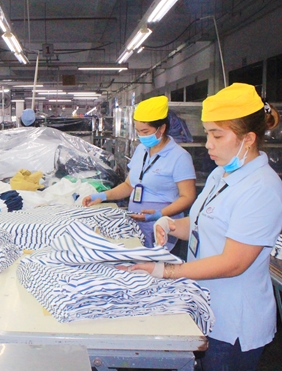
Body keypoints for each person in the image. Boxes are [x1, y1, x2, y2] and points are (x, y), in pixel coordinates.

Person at [130, 83, 282, 370]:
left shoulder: (262, 188)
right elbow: (202, 224)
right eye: (208, 133)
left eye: (217, 135)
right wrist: (171, 224)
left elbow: (233, 263)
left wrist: (168, 271)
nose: (208, 143)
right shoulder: (220, 174)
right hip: (205, 306)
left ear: (248, 138)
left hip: (233, 323)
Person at [82, 95, 196, 249]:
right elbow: (129, 185)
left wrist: (159, 214)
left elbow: (188, 197)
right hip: (137, 222)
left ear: (161, 128)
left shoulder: (180, 157)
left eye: (145, 131)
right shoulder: (141, 149)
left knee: (156, 267)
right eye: (138, 131)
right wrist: (102, 196)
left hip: (162, 226)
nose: (141, 136)